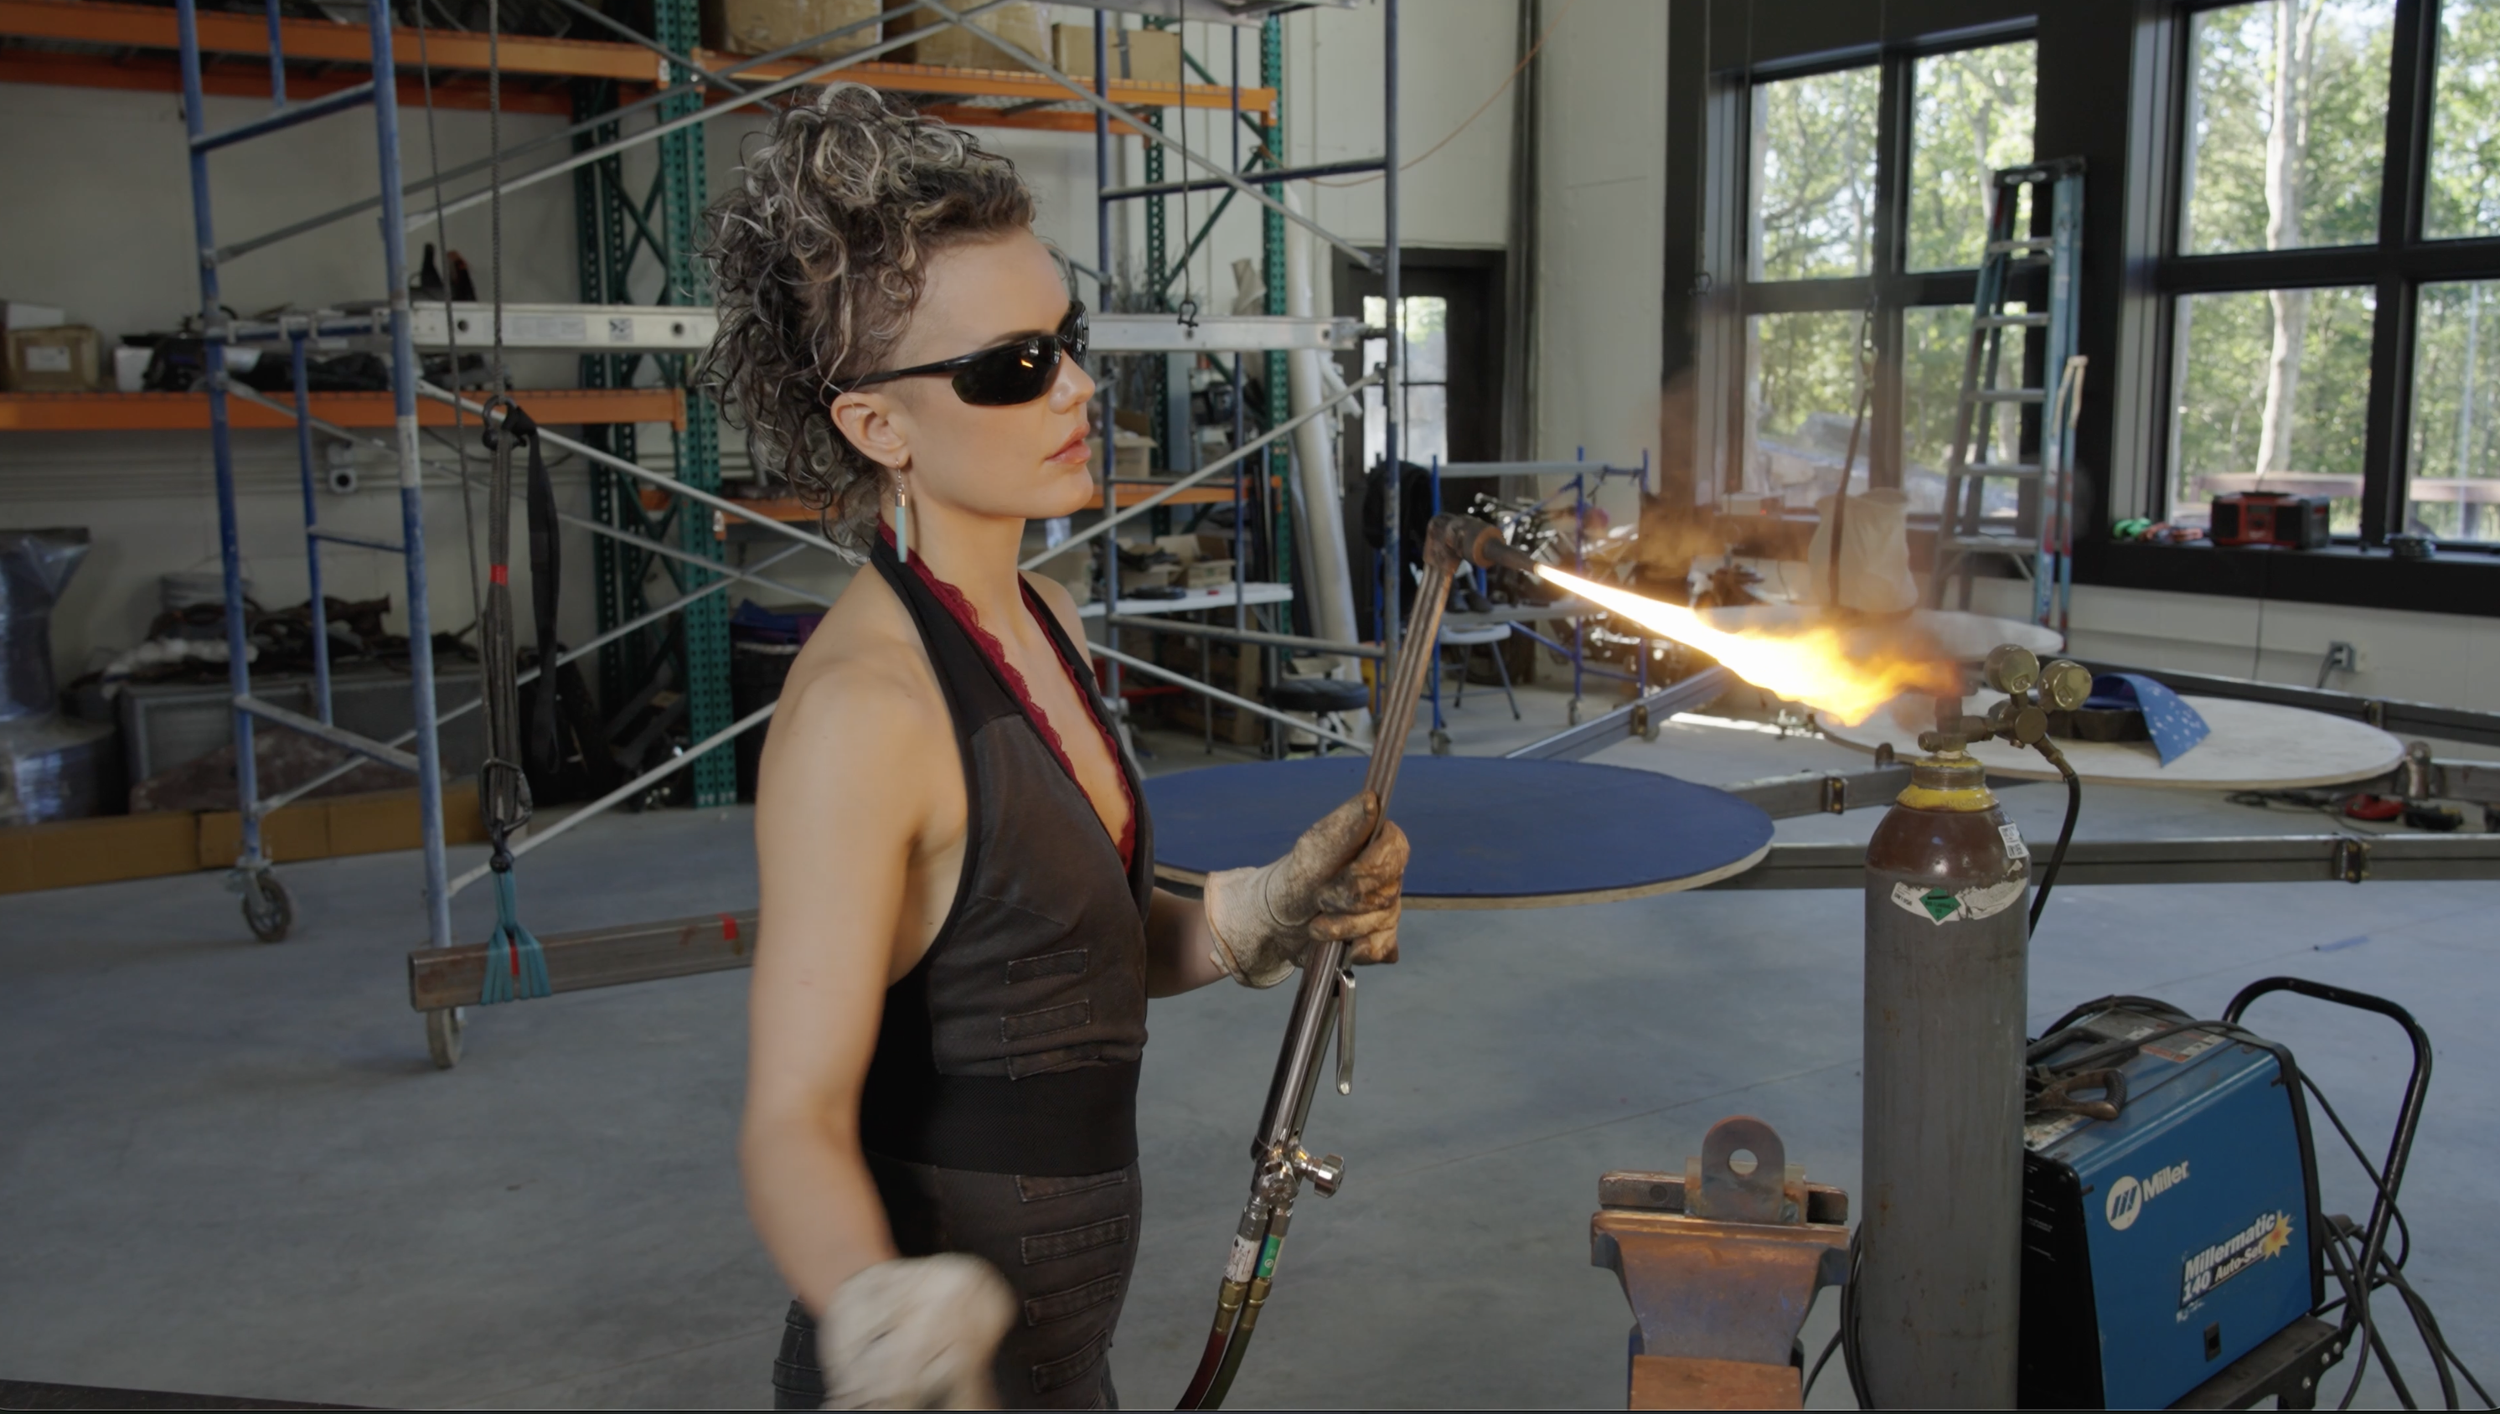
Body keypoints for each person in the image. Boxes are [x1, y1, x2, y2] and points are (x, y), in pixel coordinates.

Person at [705, 85, 1410, 1411]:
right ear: (879, 426)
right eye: (1014, 365)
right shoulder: (869, 711)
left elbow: (1058, 950)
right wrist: (877, 1307)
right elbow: (789, 1118)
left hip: (1058, 1363)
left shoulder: (1045, 616)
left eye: (1066, 341)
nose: (1078, 385)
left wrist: (1256, 911)